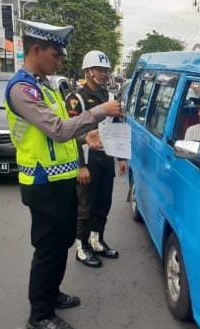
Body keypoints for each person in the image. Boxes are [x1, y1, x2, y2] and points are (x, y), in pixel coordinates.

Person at [5, 20, 122, 329]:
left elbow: (63, 132)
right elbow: (57, 130)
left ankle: (52, 294)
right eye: (55, 55)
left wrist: (86, 138)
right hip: (42, 183)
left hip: (61, 181)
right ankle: (39, 314)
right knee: (48, 249)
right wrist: (100, 112)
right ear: (36, 49)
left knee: (62, 243)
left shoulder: (45, 86)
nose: (59, 61)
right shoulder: (22, 89)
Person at [65, 50, 127, 268]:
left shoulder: (108, 97)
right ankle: (81, 247)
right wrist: (80, 166)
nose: (103, 74)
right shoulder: (76, 99)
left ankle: (96, 240)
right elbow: (70, 135)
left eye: (105, 70)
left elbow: (117, 128)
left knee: (103, 203)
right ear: (88, 71)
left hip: (105, 157)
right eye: (99, 70)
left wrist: (121, 157)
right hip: (87, 159)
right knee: (85, 206)